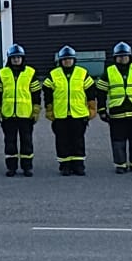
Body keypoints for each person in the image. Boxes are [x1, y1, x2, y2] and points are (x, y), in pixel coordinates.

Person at [96, 42, 132, 174]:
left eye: (125, 56)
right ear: (115, 57)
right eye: (120, 56)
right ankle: (120, 165)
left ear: (130, 56)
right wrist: (102, 110)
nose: (122, 58)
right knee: (118, 141)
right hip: (117, 112)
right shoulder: (109, 71)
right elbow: (101, 92)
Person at [43, 46, 97, 176]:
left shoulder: (82, 73)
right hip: (60, 114)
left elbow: (90, 90)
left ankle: (78, 165)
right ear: (60, 61)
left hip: (78, 114)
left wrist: (92, 107)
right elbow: (47, 91)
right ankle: (65, 166)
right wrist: (49, 108)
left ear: (74, 60)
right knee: (62, 141)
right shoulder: (53, 74)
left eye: (69, 59)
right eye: (65, 59)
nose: (67, 61)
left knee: (78, 141)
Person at [0, 44, 41, 177]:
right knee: (10, 142)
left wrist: (36, 109)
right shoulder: (2, 73)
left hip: (26, 114)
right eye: (13, 57)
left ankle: (27, 167)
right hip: (8, 114)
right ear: (9, 59)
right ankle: (11, 168)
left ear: (22, 58)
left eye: (18, 57)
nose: (16, 60)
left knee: (27, 142)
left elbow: (36, 93)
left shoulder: (30, 73)